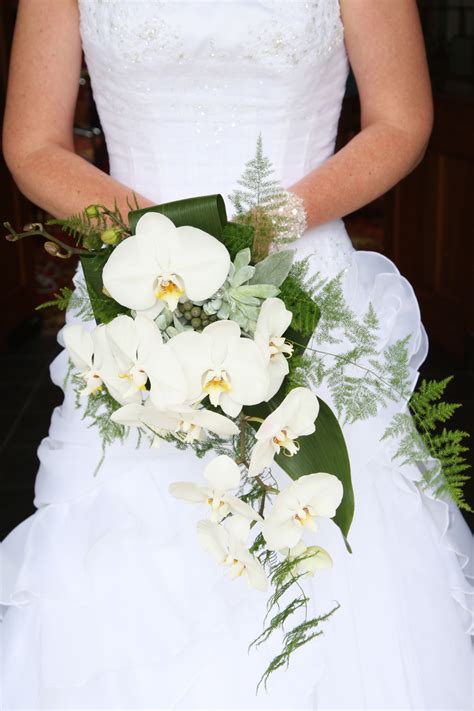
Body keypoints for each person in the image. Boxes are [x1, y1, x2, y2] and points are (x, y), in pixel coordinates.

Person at [1, 1, 472, 709]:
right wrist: (166, 239)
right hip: (141, 290)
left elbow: (402, 118)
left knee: (332, 567)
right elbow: (32, 142)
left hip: (303, 287)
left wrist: (269, 223)